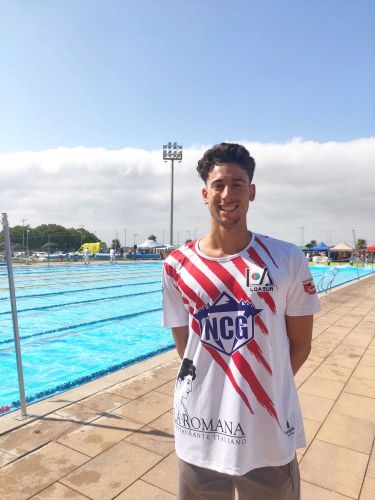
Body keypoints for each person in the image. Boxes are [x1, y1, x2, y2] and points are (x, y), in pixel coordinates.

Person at [162, 143, 320, 499]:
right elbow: (185, 349)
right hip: (197, 427)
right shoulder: (176, 265)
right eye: (218, 184)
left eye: (237, 184)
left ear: (251, 192)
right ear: (205, 194)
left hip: (265, 431)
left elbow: (302, 345)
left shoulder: (286, 259)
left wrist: (255, 388)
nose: (227, 193)